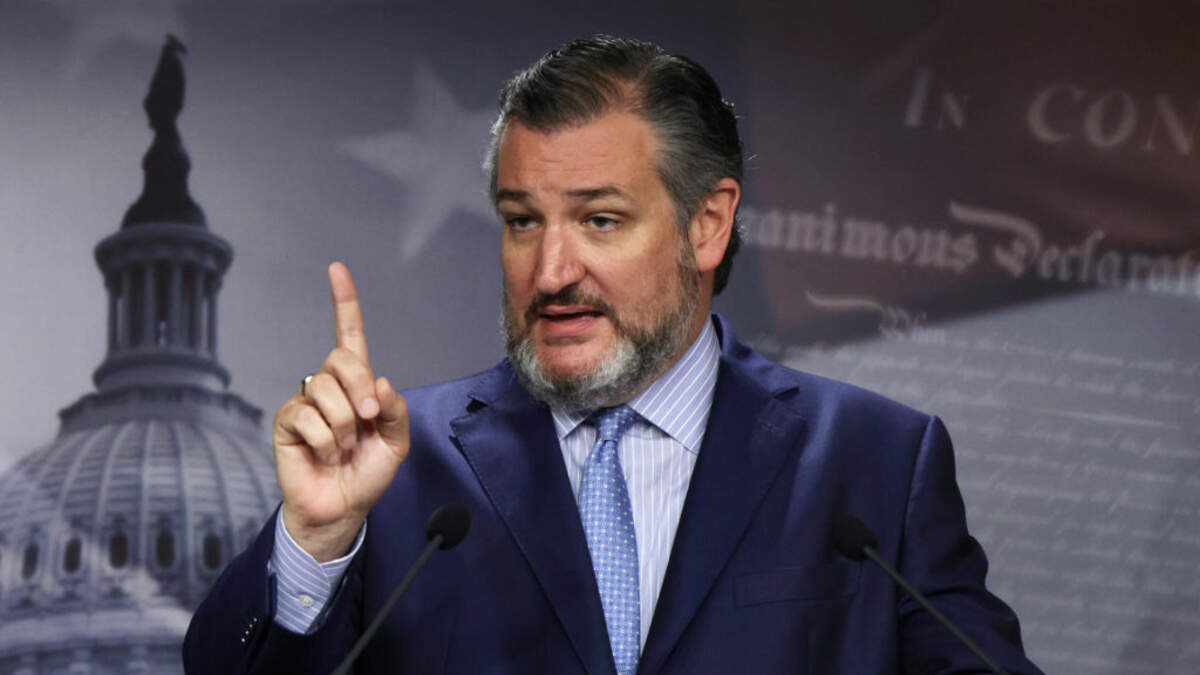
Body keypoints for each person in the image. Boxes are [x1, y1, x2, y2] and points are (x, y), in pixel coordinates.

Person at [184, 36, 1042, 674]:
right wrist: (316, 539)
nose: (551, 271)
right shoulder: (398, 469)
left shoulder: (876, 463)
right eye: (523, 221)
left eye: (600, 219)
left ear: (707, 225)